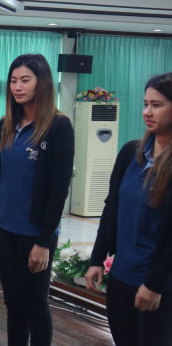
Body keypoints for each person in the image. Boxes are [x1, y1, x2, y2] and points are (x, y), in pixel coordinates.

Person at [0, 54, 74, 346]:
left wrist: (44, 242)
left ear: (41, 83)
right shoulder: (7, 123)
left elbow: (59, 189)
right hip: (7, 229)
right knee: (14, 304)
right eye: (13, 81)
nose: (17, 87)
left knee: (35, 304)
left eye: (25, 80)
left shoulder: (59, 126)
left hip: (36, 234)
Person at [84, 73, 172, 345]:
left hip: (158, 287)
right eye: (145, 104)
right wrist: (97, 258)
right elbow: (111, 208)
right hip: (121, 278)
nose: (147, 112)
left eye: (156, 105)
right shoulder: (130, 153)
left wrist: (155, 284)